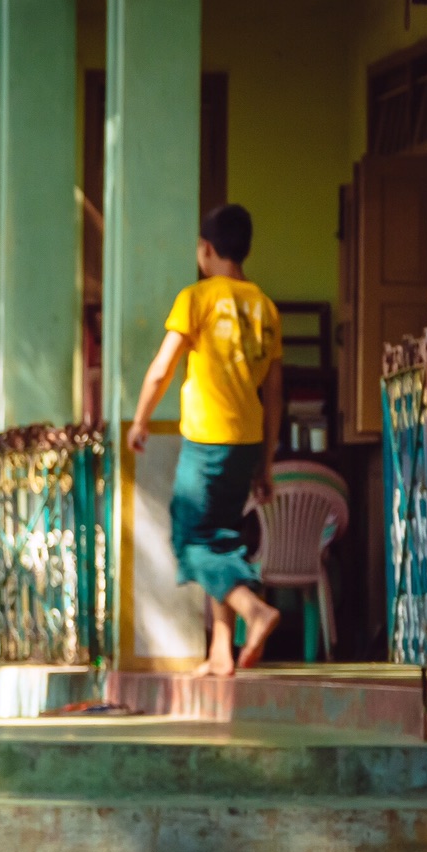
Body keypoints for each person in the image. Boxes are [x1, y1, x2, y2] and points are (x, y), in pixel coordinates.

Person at [125, 202, 285, 676]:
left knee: (189, 536)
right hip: (247, 439)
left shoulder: (196, 298)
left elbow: (162, 369)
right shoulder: (266, 307)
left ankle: (255, 611)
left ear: (206, 250)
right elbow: (274, 394)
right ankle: (220, 651)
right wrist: (266, 461)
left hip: (209, 438)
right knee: (222, 537)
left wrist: (139, 421)